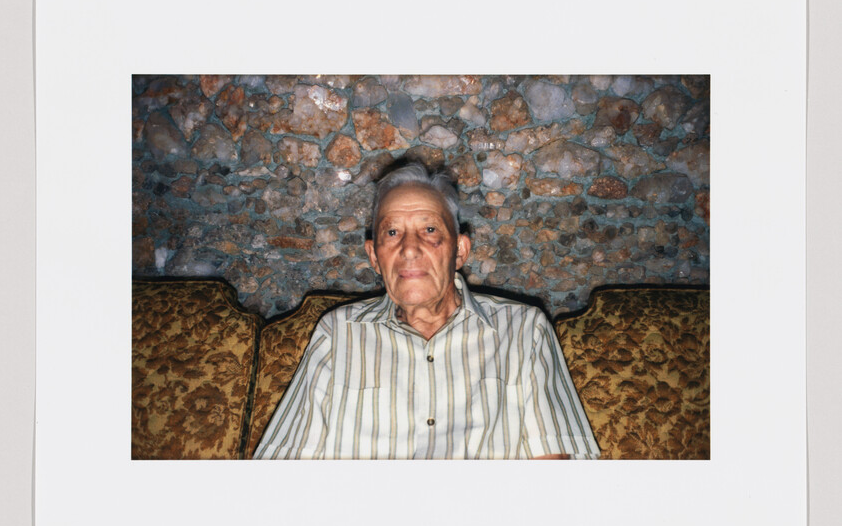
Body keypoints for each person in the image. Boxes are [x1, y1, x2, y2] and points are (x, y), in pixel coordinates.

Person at [253, 162, 600, 460]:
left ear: (460, 251)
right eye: (392, 232)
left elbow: (554, 478)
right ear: (374, 256)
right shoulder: (337, 334)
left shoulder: (524, 330)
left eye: (430, 230)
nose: (409, 249)